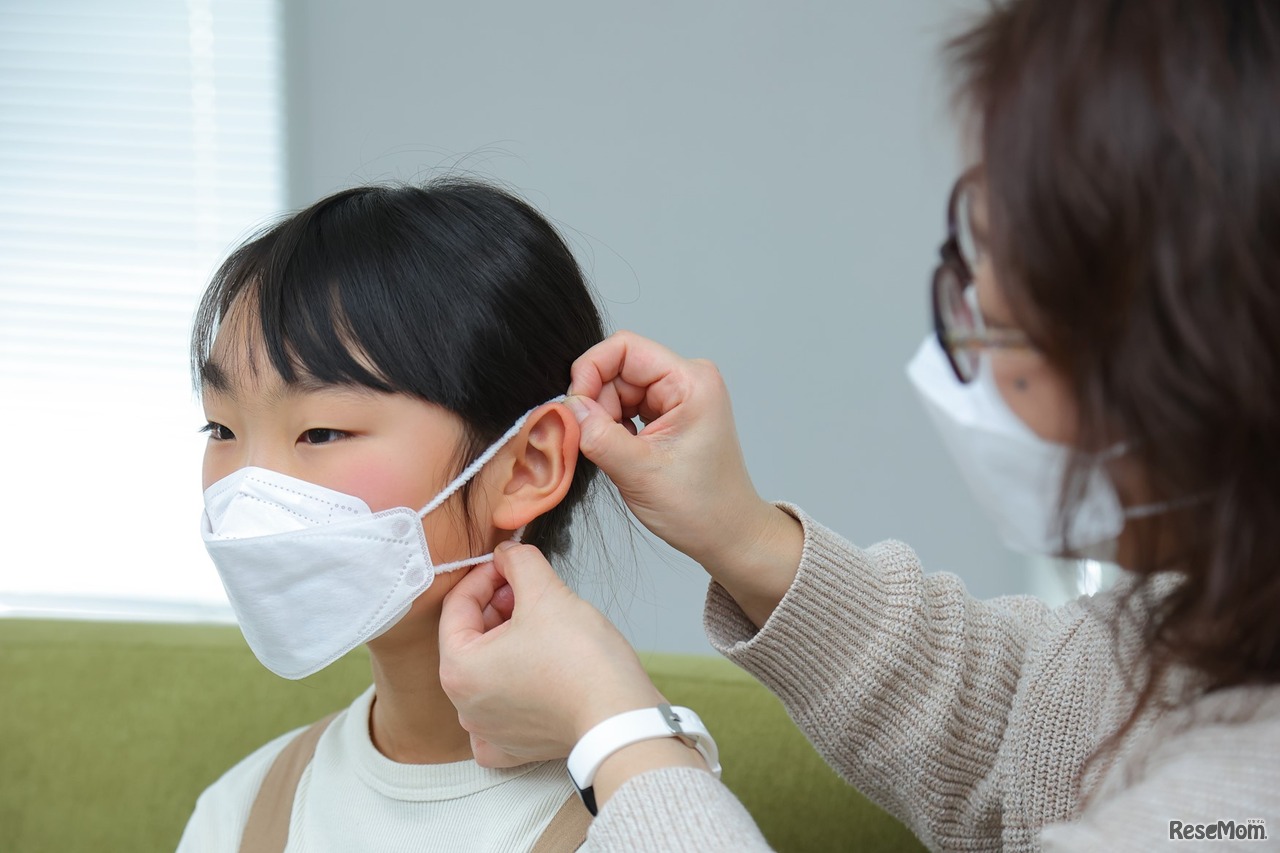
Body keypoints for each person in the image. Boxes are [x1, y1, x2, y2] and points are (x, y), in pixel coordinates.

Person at [438, 2, 1280, 850]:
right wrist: (745, 535)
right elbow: (1031, 729)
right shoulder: (1220, 633)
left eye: (996, 285)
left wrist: (616, 728)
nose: (977, 299)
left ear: (1191, 358)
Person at [177, 180, 607, 851]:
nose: (249, 490)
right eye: (221, 428)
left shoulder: (643, 806)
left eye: (320, 431)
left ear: (526, 465)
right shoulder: (242, 811)